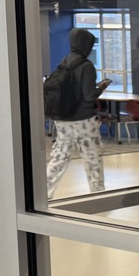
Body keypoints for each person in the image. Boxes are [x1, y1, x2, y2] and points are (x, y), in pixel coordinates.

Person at [45, 28, 111, 197]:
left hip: (63, 119)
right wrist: (101, 87)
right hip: (83, 121)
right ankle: (98, 195)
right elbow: (89, 96)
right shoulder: (86, 66)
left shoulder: (65, 62)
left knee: (60, 157)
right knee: (92, 158)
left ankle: (44, 193)